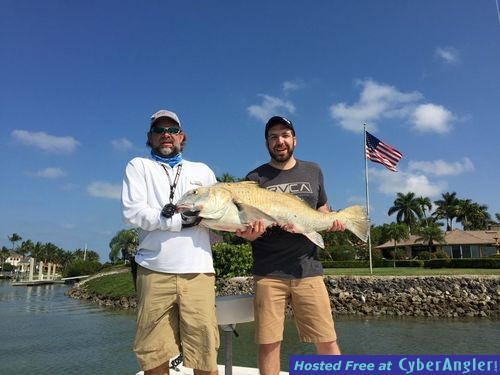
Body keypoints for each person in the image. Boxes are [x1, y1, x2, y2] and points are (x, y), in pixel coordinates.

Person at [236, 116, 345, 375]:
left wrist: (331, 223)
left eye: (285, 135)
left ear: (294, 139)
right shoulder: (254, 178)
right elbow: (244, 230)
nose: (279, 141)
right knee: (268, 344)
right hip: (267, 273)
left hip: (307, 269)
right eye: (273, 137)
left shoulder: (313, 171)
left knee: (327, 340)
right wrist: (249, 233)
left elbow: (322, 211)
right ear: (266, 143)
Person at [122, 109, 219, 375]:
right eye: (159, 130)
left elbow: (219, 214)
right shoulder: (138, 166)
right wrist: (178, 221)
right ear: (150, 137)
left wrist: (242, 226)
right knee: (153, 353)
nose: (166, 135)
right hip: (153, 270)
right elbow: (133, 212)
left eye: (172, 130)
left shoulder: (203, 171)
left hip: (198, 270)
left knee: (205, 352)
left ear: (182, 136)